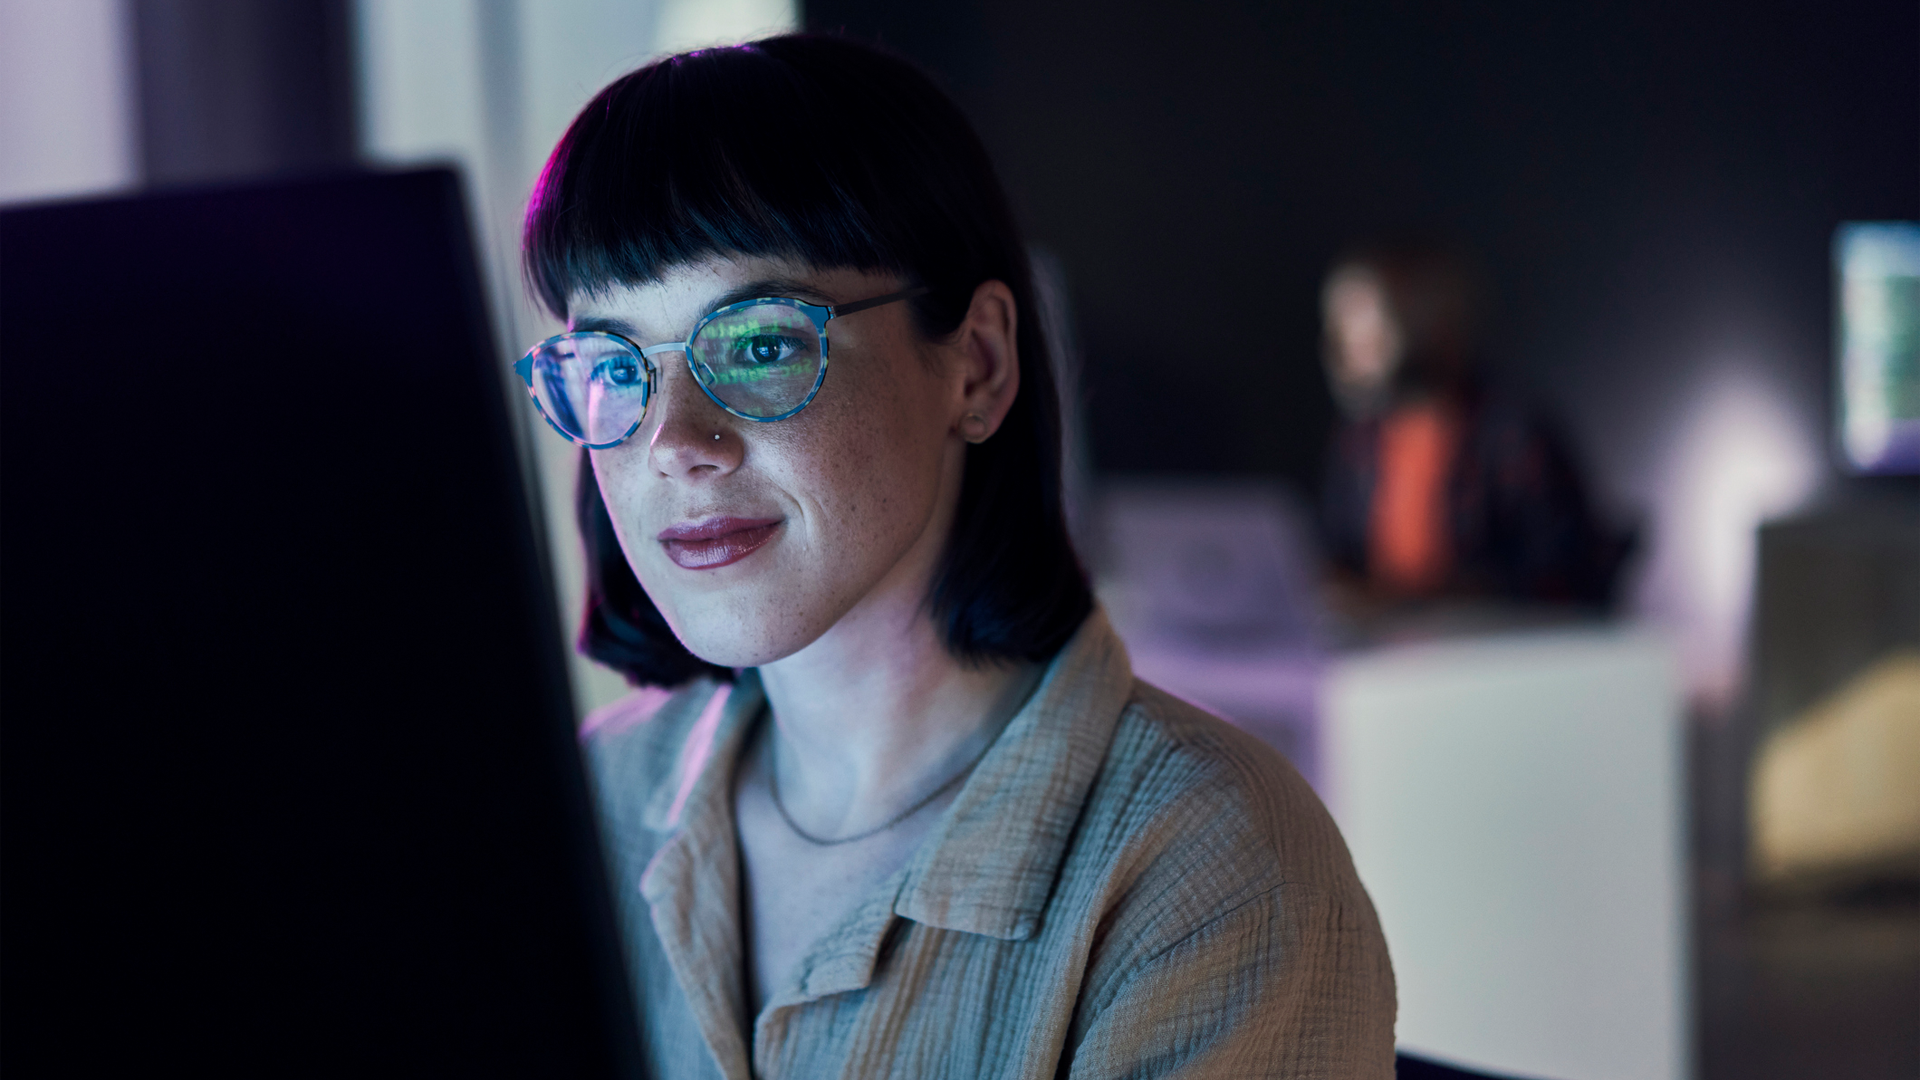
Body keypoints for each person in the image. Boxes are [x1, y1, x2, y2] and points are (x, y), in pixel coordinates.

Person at [516, 35, 1395, 1078]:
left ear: (975, 366)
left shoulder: (1207, 871)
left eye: (758, 342)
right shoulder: (589, 804)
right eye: (614, 365)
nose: (673, 444)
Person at [1319, 237, 1629, 609]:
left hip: (1492, 652)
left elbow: (1561, 572)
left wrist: (1433, 599)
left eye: (1364, 322)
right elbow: (1338, 554)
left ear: (1427, 316)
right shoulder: (1360, 442)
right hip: (1389, 652)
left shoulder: (1512, 431)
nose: (1347, 345)